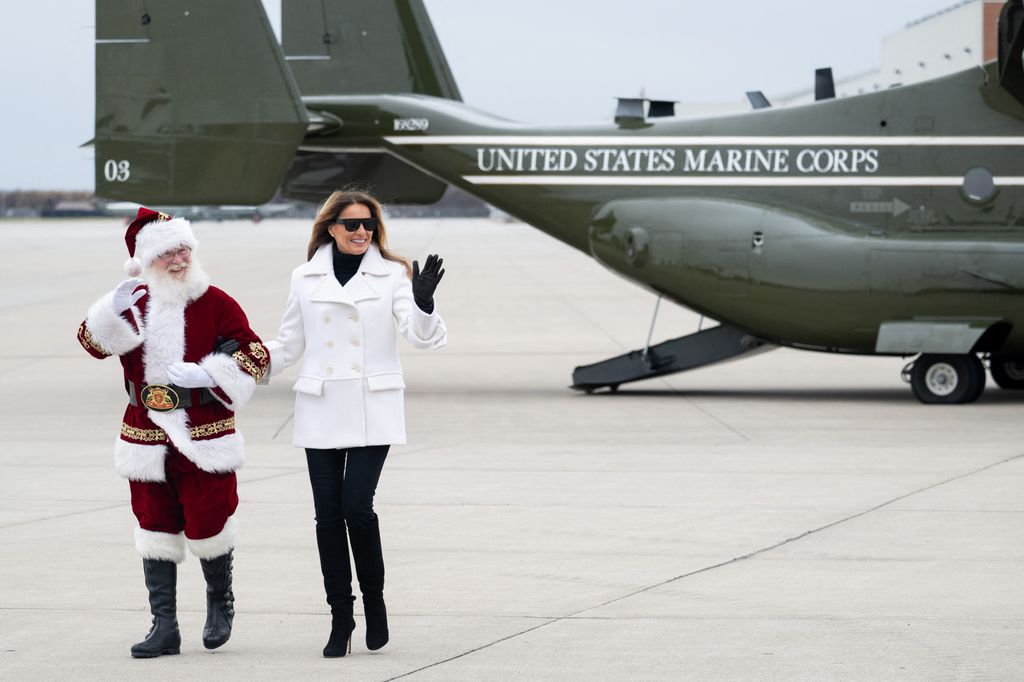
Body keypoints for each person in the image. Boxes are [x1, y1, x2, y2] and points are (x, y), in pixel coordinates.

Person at [76, 207, 270, 658]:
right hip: (145, 433)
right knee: (154, 526)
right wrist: (108, 312)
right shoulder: (132, 303)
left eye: (184, 249)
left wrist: (212, 373)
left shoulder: (216, 301)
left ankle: (220, 601)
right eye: (168, 253)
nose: (180, 259)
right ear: (146, 261)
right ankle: (163, 625)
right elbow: (90, 343)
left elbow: (257, 355)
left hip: (205, 433)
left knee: (210, 521)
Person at [265, 190, 447, 657]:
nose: (361, 231)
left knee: (357, 509)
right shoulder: (304, 277)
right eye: (352, 224)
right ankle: (340, 617)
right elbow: (288, 345)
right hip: (320, 406)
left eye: (368, 224)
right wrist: (245, 360)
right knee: (327, 518)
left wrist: (424, 303)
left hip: (372, 406)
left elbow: (420, 337)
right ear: (331, 228)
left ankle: (375, 603)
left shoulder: (393, 275)